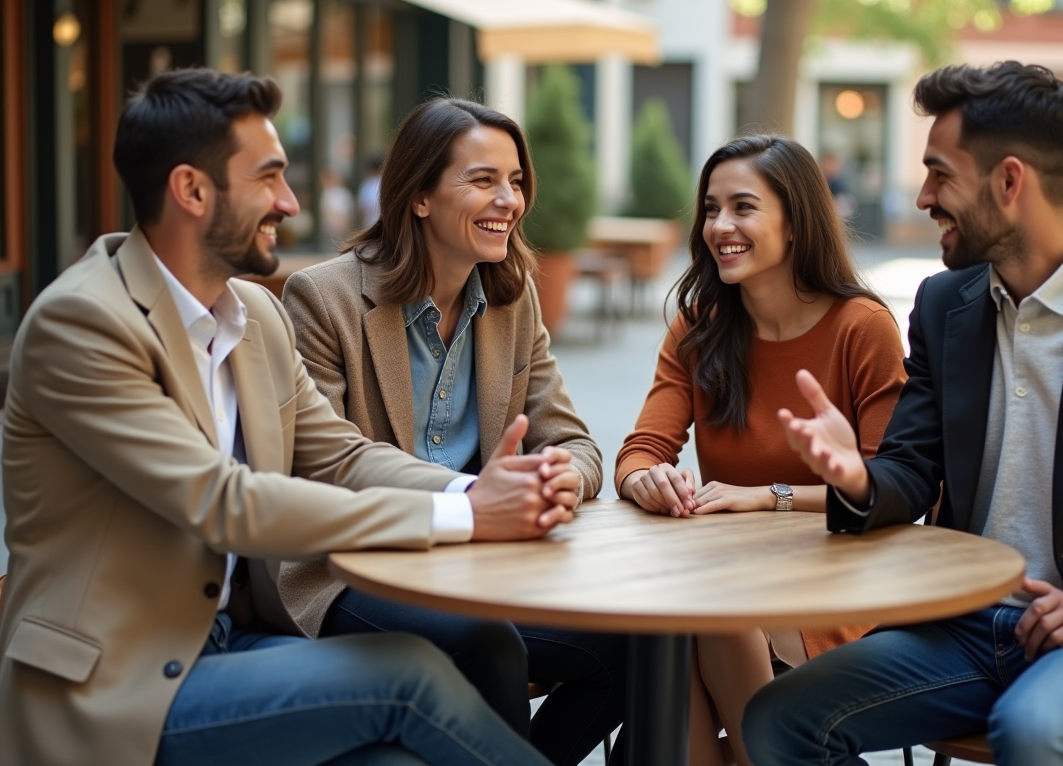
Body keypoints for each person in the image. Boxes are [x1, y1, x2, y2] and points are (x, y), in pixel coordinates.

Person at [0, 68, 573, 766]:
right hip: (112, 683)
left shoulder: (257, 316)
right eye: (269, 178)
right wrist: (467, 519)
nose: (290, 201)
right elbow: (221, 502)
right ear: (192, 190)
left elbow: (341, 456)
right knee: (408, 676)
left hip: (226, 642)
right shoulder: (82, 324)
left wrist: (469, 493)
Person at [745, 61, 1063, 766]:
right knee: (778, 719)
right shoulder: (942, 305)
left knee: (1037, 730)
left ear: (1009, 182)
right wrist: (858, 479)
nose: (923, 196)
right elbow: (911, 467)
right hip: (959, 627)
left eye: (940, 174)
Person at [278, 97, 624, 766]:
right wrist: (471, 496)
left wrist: (554, 475)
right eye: (483, 179)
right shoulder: (322, 299)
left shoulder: (512, 297)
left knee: (633, 644)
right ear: (419, 198)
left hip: (485, 566)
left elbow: (576, 443)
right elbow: (325, 462)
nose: (509, 200)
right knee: (486, 641)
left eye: (516, 180)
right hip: (353, 567)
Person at [615, 135, 906, 766]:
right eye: (711, 208)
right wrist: (645, 480)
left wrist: (766, 498)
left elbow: (898, 489)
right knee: (668, 620)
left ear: (796, 223)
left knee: (695, 618)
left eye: (743, 207)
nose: (721, 226)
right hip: (731, 578)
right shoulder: (698, 328)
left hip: (841, 580)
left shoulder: (862, 328)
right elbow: (642, 448)